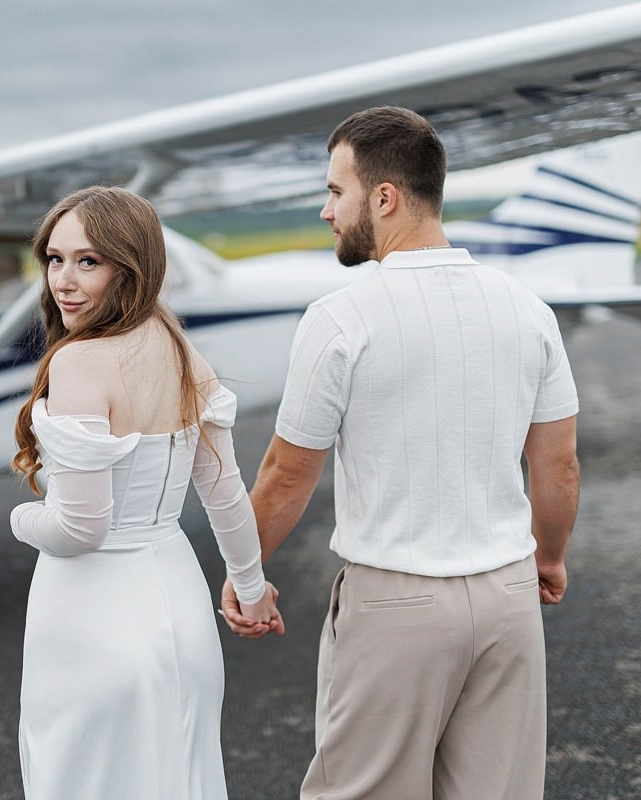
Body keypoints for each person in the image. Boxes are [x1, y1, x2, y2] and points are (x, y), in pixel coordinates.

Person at [220, 107, 581, 800]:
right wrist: (550, 556)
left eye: (336, 192)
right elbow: (558, 465)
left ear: (384, 198)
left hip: (394, 604)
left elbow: (287, 475)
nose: (327, 212)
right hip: (509, 600)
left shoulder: (340, 318)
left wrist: (243, 572)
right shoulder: (528, 310)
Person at [10, 185, 283, 800]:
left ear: (132, 265)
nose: (64, 281)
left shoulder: (81, 364)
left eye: (89, 261)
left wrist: (22, 518)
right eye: (55, 259)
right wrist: (250, 589)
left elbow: (80, 530)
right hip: (182, 616)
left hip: (93, 623)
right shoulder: (182, 350)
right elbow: (224, 494)